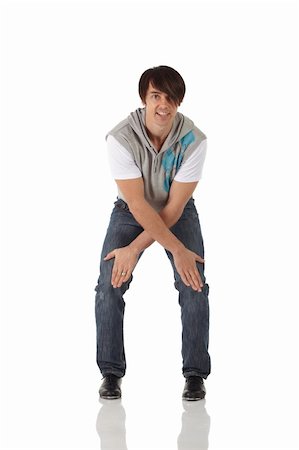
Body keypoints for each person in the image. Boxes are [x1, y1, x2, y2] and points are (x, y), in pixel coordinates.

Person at [94, 65, 211, 401]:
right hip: (131, 211)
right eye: (156, 96)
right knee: (109, 285)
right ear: (144, 99)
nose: (163, 105)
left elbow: (172, 210)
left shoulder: (194, 140)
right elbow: (136, 203)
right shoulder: (120, 137)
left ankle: (195, 374)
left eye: (170, 98)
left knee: (194, 284)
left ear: (179, 102)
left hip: (178, 210)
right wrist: (130, 249)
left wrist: (174, 250)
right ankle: (111, 372)